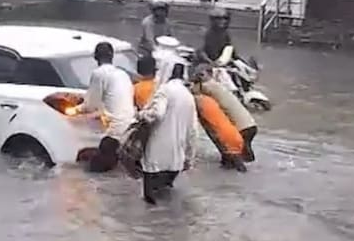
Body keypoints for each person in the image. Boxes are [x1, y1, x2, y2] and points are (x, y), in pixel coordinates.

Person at [137, 64, 198, 204]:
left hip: (156, 154)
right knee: (167, 199)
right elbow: (193, 129)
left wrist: (142, 115)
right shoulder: (188, 96)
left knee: (149, 201)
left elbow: (157, 113)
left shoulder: (165, 90)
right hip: (176, 158)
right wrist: (190, 156)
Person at [76, 42, 135, 173]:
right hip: (130, 127)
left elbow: (90, 105)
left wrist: (76, 109)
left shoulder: (98, 73)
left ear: (95, 57)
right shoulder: (123, 74)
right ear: (112, 56)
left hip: (114, 131)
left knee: (91, 170)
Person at [194, 70, 257, 163]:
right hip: (251, 125)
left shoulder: (206, 88)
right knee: (245, 154)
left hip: (241, 129)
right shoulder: (218, 86)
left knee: (232, 156)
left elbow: (196, 96)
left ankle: (240, 168)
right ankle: (252, 166)